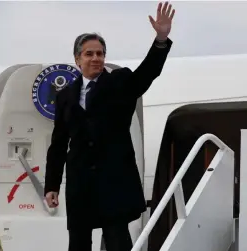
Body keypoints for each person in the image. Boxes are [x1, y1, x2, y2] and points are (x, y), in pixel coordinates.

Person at [44, 1, 175, 250]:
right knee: (79, 243)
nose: (96, 58)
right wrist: (51, 185)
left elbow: (147, 73)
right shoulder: (65, 96)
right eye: (89, 54)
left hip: (113, 181)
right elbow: (59, 143)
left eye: (100, 53)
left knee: (117, 241)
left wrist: (161, 40)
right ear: (77, 59)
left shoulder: (119, 82)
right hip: (80, 183)